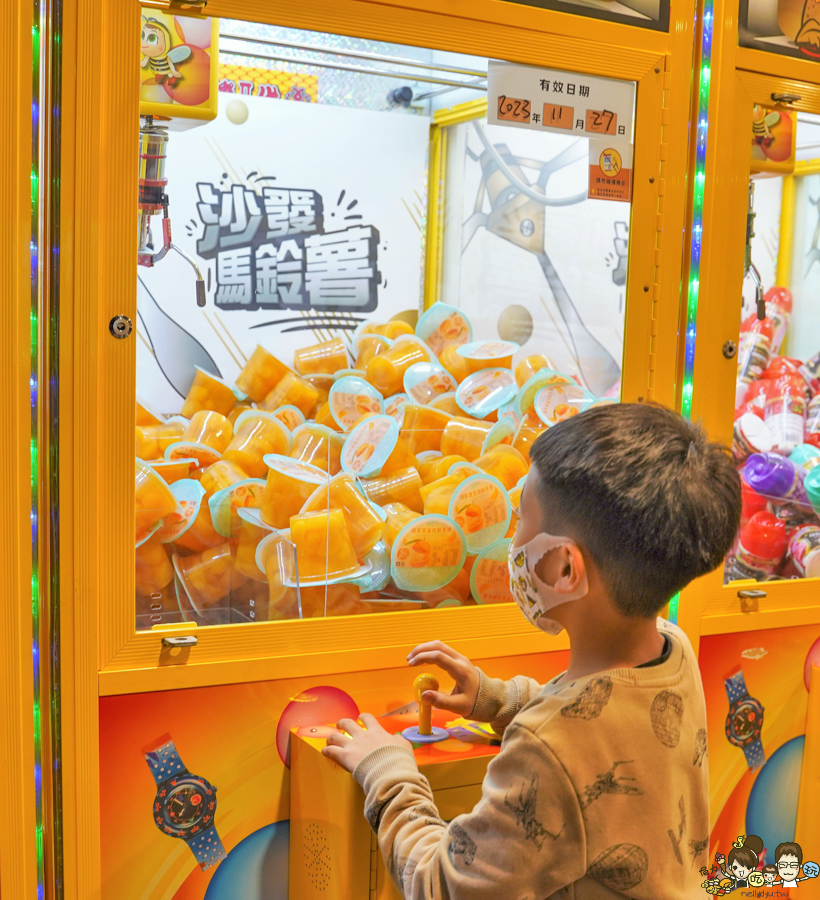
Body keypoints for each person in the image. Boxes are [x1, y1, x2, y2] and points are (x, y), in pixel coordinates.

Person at [323, 403, 742, 900]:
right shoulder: (675, 652)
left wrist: (387, 772)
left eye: (523, 517)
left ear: (564, 568)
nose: (512, 537)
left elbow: (443, 887)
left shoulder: (546, 749)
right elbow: (610, 724)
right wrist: (497, 699)